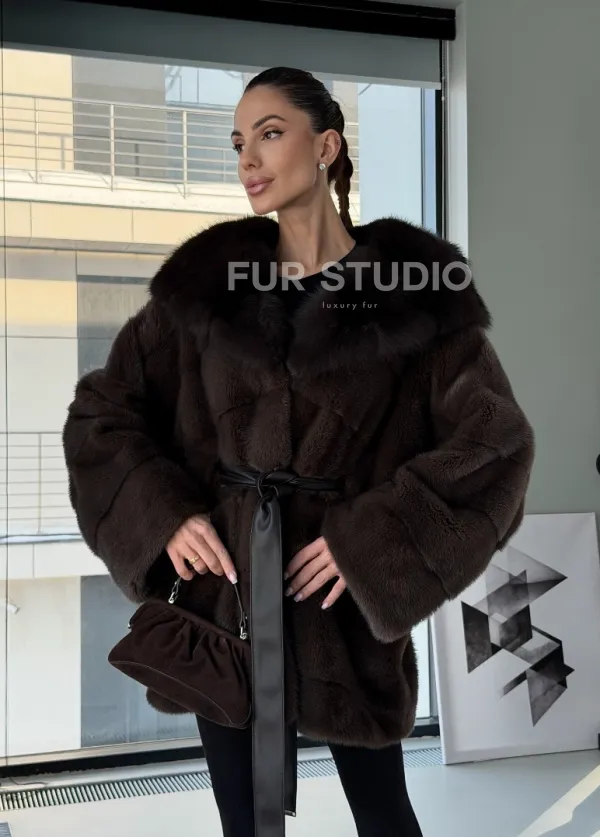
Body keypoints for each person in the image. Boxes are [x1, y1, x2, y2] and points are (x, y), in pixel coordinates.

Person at [63, 66, 535, 837]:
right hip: (227, 600)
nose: (248, 158)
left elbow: (495, 442)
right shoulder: (204, 290)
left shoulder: (413, 295)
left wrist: (372, 541)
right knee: (245, 821)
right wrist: (164, 513)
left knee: (384, 816)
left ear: (326, 146)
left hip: (341, 611)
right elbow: (102, 413)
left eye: (271, 133)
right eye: (237, 142)